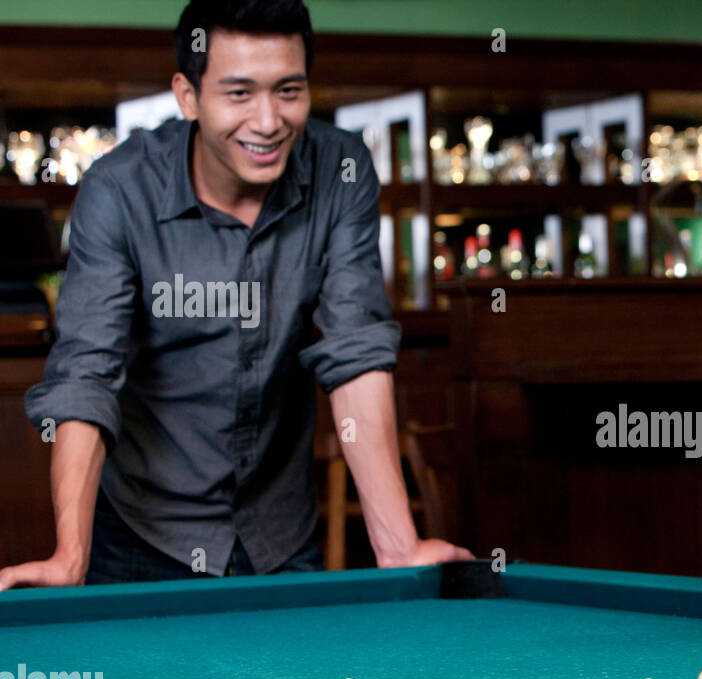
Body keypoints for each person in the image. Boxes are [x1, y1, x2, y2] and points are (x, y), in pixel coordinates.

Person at [0, 0, 471, 590]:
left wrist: (399, 546)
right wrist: (70, 554)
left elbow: (356, 353)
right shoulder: (118, 189)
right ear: (188, 95)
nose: (269, 120)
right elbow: (85, 376)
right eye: (240, 93)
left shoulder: (341, 169)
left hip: (279, 532)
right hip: (140, 535)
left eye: (288, 90)